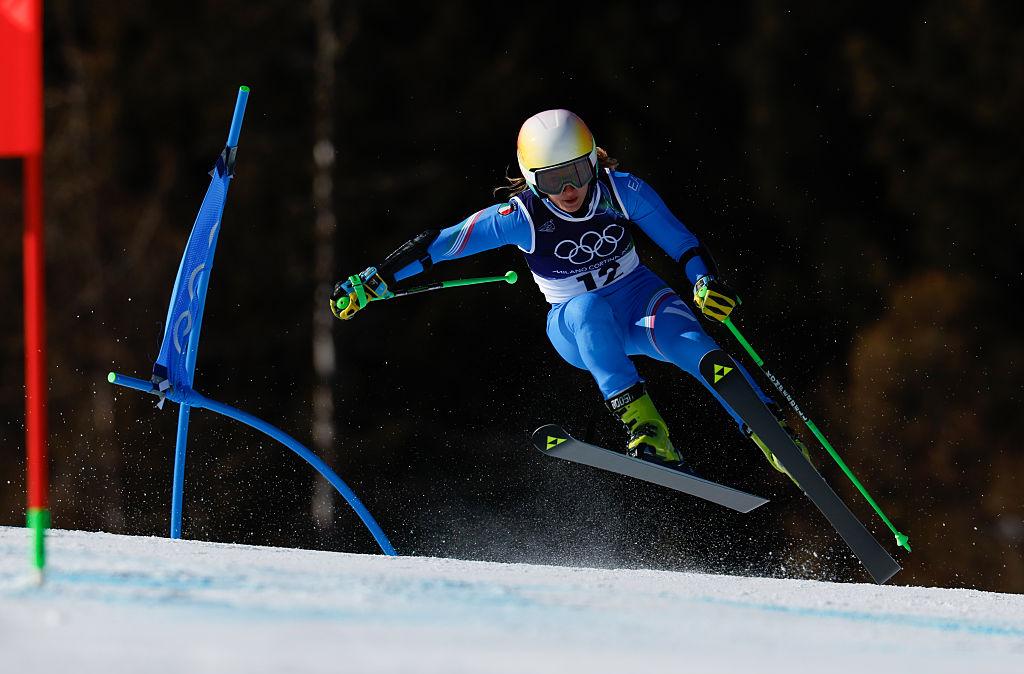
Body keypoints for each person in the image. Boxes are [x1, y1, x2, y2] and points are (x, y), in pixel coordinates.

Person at [331, 109, 807, 479]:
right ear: (532, 177)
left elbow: (681, 243)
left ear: (593, 158)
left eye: (579, 171)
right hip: (577, 327)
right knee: (587, 307)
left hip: (641, 301)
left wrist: (704, 281)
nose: (571, 188)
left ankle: (770, 433)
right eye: (555, 180)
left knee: (694, 343)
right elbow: (440, 244)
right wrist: (376, 278)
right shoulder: (518, 217)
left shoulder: (623, 190)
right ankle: (646, 427)